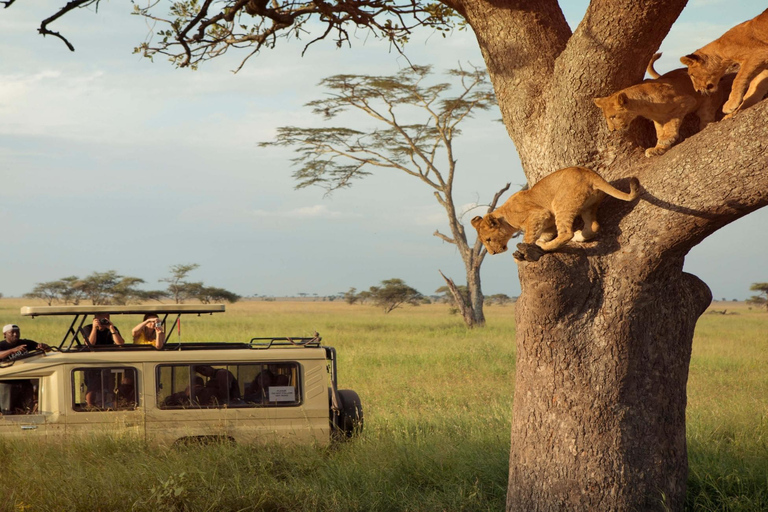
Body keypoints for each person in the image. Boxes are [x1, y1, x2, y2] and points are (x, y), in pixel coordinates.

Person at [80, 314, 124, 407]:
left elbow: (120, 343)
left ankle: (110, 406)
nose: (103, 321)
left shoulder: (112, 328)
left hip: (109, 361)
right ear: (94, 320)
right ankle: (90, 406)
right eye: (100, 319)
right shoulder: (88, 328)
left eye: (105, 319)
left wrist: (112, 329)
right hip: (93, 361)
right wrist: (94, 328)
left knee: (110, 386)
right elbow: (90, 344)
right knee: (92, 386)